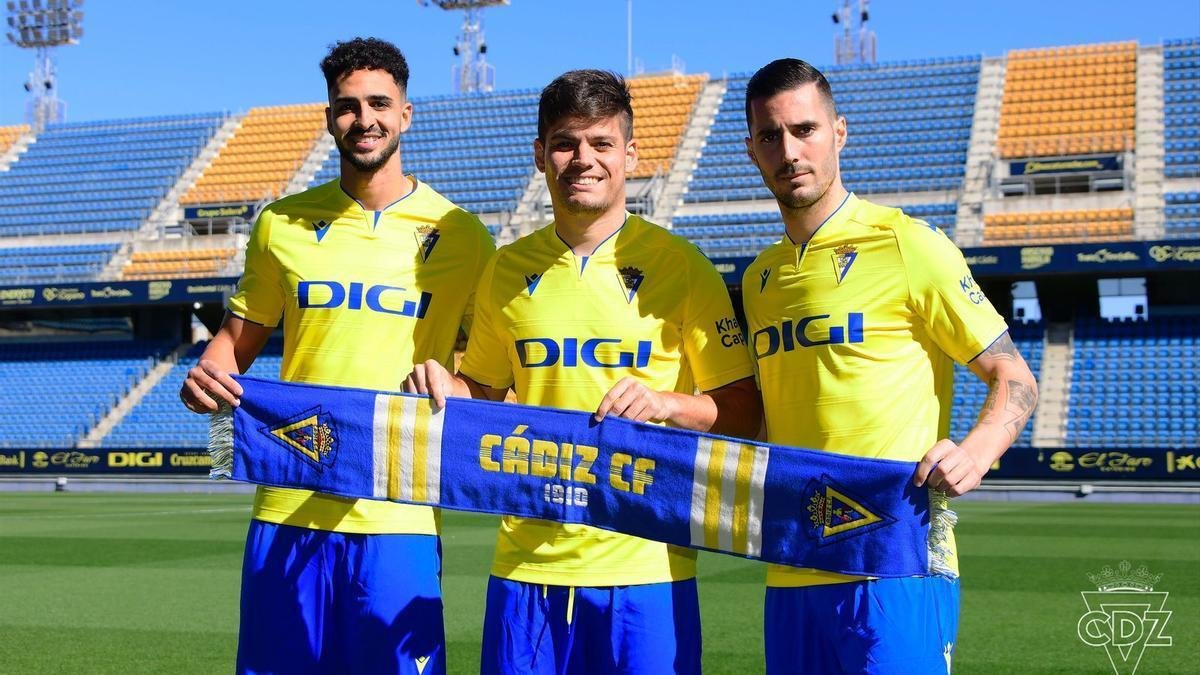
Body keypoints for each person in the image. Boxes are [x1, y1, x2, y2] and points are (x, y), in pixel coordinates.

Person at [404, 69, 762, 674]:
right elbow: (486, 391)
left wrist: (667, 403)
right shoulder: (508, 269)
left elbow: (745, 414)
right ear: (541, 154)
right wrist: (448, 384)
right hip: (527, 566)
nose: (583, 160)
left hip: (646, 567)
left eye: (600, 144)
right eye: (566, 143)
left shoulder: (683, 266)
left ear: (630, 154)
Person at [179, 37, 495, 675]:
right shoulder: (281, 224)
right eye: (347, 106)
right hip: (287, 504)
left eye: (380, 103)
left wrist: (457, 387)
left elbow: (488, 378)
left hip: (397, 514)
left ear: (406, 113)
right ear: (328, 117)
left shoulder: (463, 236)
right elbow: (234, 346)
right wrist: (205, 388)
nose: (364, 119)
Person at [739, 58, 1038, 673]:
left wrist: (975, 452)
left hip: (896, 555)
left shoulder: (908, 244)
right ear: (751, 149)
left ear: (839, 132)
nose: (789, 151)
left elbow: (1016, 378)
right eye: (771, 136)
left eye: (805, 130)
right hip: (793, 559)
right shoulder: (758, 279)